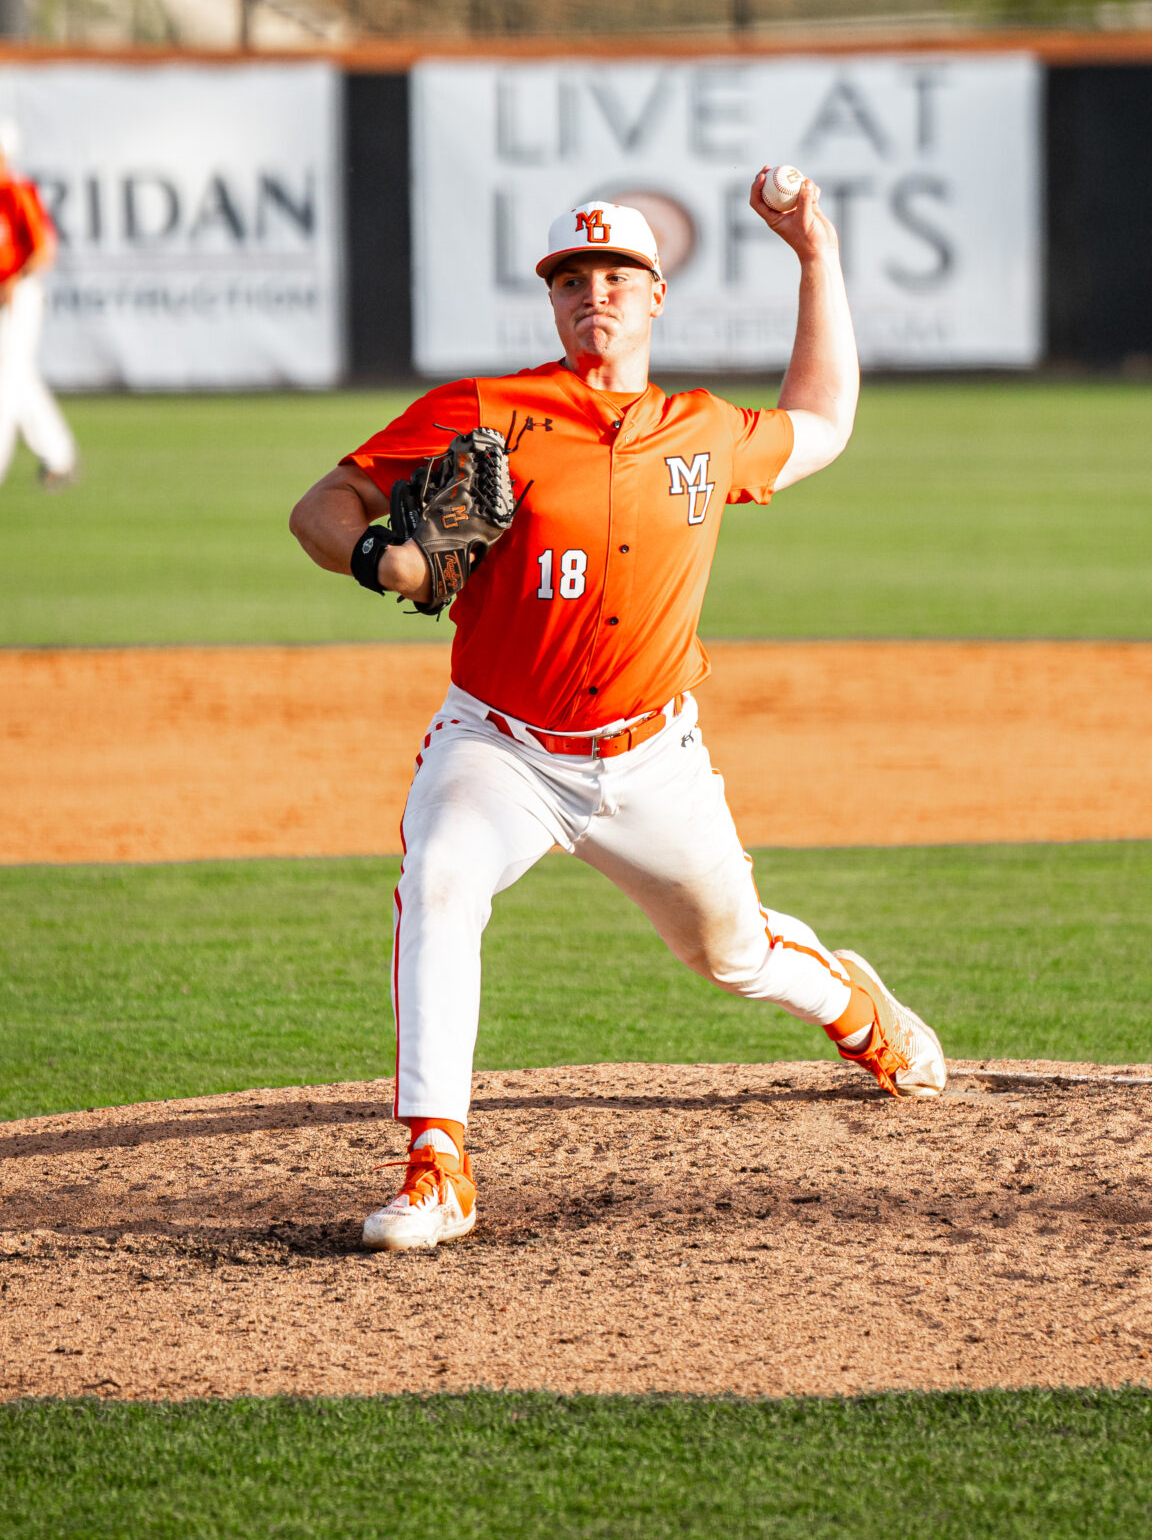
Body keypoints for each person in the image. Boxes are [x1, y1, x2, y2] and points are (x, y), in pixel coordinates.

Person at [290, 176, 945, 1253]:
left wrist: (816, 252)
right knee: (439, 874)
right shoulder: (484, 408)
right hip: (499, 744)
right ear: (553, 302)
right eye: (573, 279)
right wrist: (383, 554)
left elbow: (824, 420)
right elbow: (321, 504)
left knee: (731, 951)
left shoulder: (700, 429)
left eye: (617, 276)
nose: (595, 292)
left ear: (655, 297)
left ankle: (857, 1010)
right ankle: (436, 1158)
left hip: (654, 760)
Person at [0, 120, 78, 490]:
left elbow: (43, 250)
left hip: (19, 297)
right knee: (17, 376)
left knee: (7, 378)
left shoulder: (15, 191)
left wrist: (15, 281)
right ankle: (59, 453)